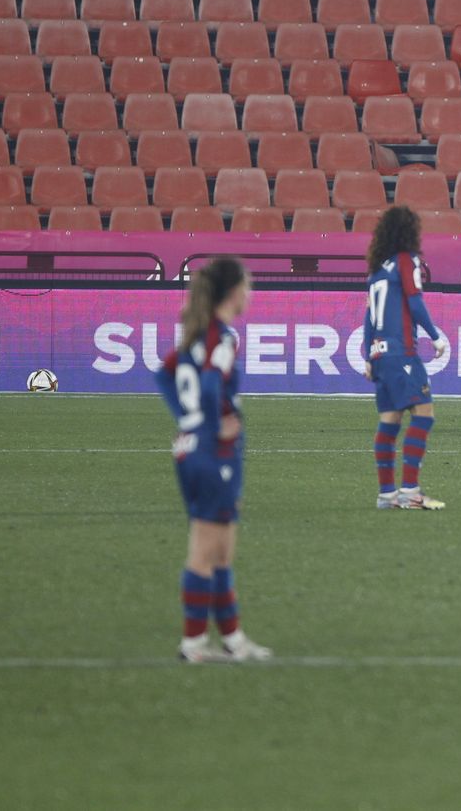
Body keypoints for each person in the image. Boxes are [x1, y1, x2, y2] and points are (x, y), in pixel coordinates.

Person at [155, 256, 271, 663]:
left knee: (220, 551)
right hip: (212, 454)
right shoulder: (221, 337)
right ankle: (193, 644)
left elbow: (163, 375)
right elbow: (208, 384)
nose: (251, 294)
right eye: (249, 286)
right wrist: (217, 419)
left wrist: (186, 419)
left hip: (190, 450)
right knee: (207, 551)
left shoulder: (195, 336)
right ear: (234, 292)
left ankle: (234, 641)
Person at [364, 206, 448, 510]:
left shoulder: (377, 269)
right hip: (402, 352)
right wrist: (435, 335)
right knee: (424, 414)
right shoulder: (405, 261)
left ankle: (386, 495)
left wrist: (368, 357)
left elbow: (369, 317)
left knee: (390, 420)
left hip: (380, 354)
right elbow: (415, 302)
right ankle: (411, 493)